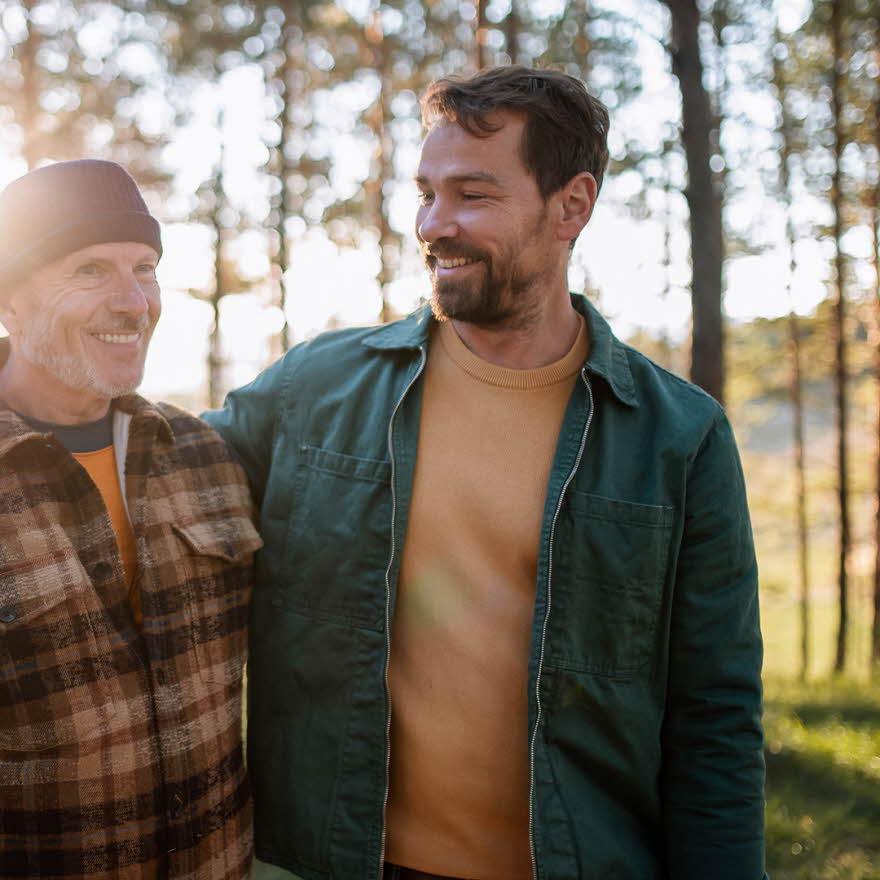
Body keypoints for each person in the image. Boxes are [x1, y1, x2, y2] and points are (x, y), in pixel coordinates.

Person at [206, 66, 766, 880]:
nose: (435, 224)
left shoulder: (680, 437)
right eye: (426, 193)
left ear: (571, 206)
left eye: (472, 194)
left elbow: (715, 717)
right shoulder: (314, 390)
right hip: (344, 861)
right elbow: (163, 471)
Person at [0, 160, 261, 879]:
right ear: (10, 304)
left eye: (145, 268)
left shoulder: (204, 456)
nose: (134, 302)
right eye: (89, 270)